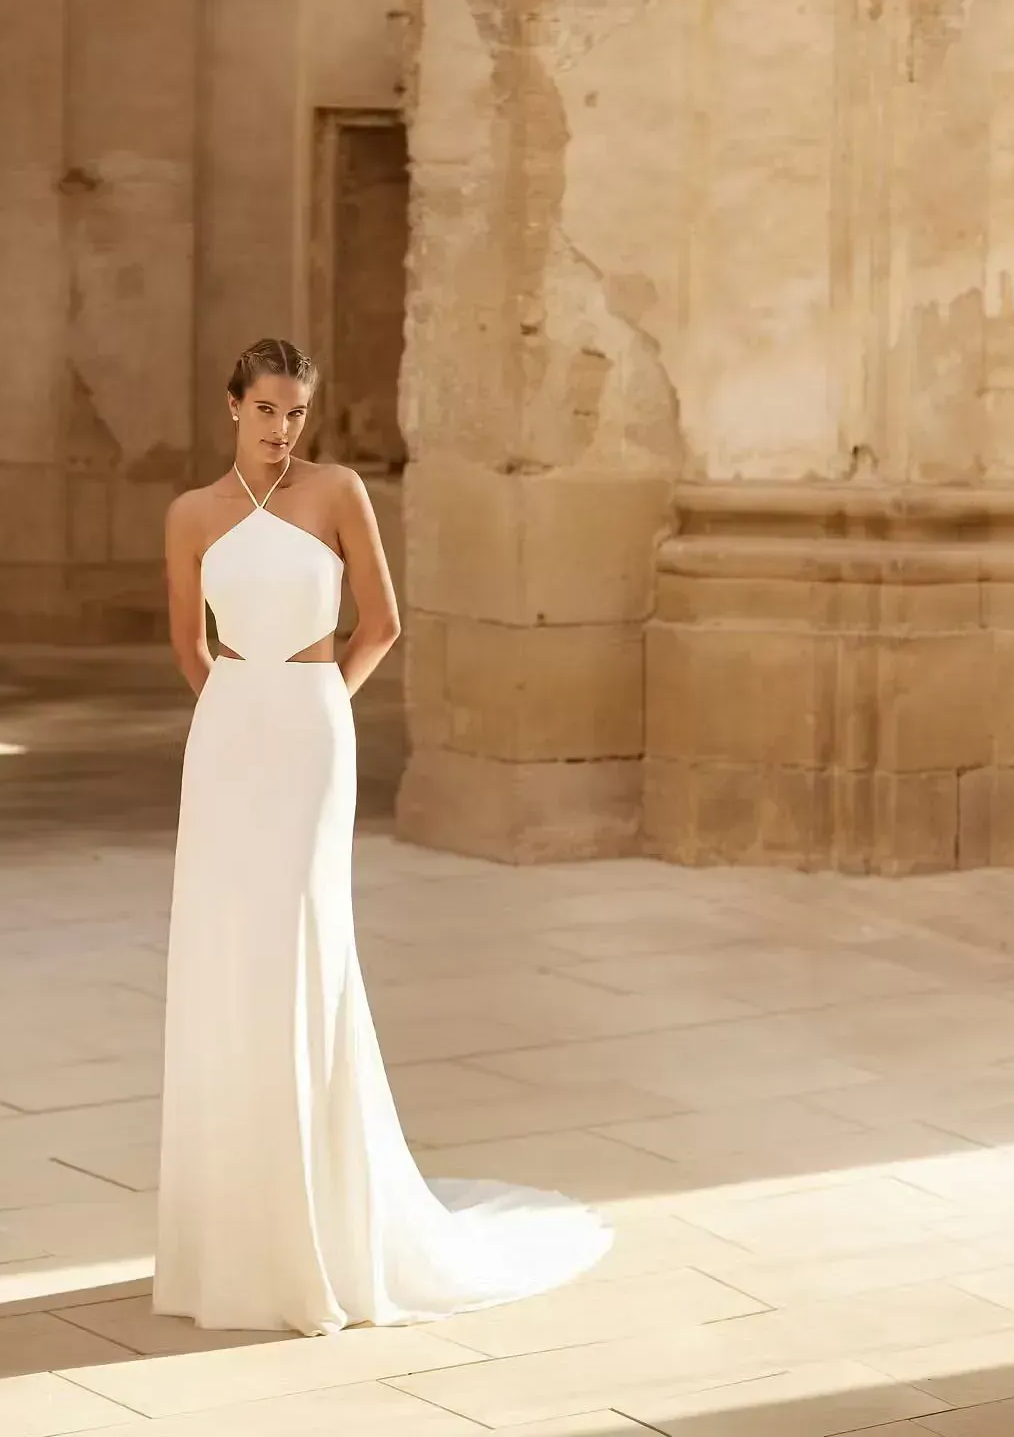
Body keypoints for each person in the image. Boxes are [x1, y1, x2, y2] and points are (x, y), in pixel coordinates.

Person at [153, 337, 611, 1334]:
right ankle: (234, 1232)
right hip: (227, 739)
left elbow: (383, 624)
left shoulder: (337, 492)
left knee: (302, 942)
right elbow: (190, 646)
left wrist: (318, 704)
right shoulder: (191, 514)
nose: (283, 429)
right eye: (267, 409)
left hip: (315, 727)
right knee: (225, 949)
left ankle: (321, 1221)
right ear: (232, 406)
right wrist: (240, 710)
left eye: (296, 412)